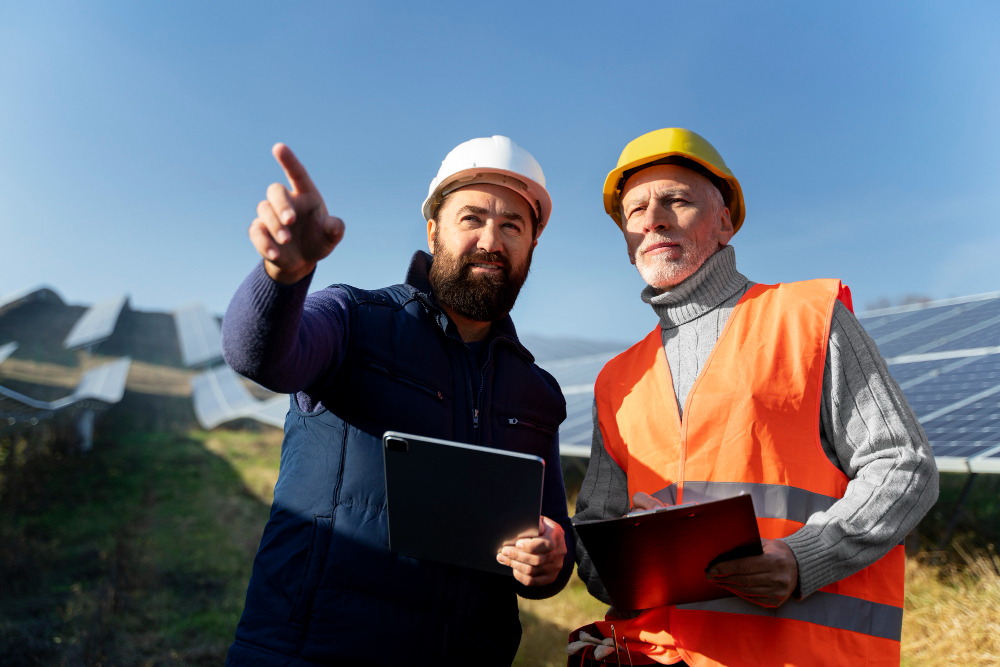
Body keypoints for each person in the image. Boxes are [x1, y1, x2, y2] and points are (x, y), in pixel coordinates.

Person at [572, 128, 939, 666]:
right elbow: (592, 546)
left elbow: (904, 465)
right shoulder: (617, 379)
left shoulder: (807, 320)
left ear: (724, 222)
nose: (654, 219)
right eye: (635, 211)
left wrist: (803, 558)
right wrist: (632, 550)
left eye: (677, 200)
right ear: (628, 242)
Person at [221, 136, 574, 666]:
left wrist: (549, 561)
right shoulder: (355, 322)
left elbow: (550, 538)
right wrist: (284, 275)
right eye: (471, 219)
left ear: (531, 246)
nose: (491, 240)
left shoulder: (536, 392)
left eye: (512, 226)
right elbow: (260, 356)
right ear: (434, 231)